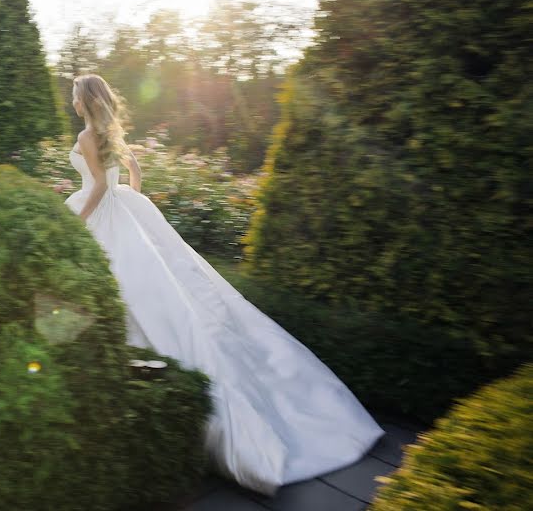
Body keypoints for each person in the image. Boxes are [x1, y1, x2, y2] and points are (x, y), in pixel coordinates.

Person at [63, 73, 385, 496]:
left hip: (104, 212)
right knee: (173, 290)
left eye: (74, 96)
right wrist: (135, 197)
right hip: (128, 210)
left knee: (131, 293)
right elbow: (129, 173)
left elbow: (101, 186)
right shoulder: (110, 133)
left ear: (83, 101)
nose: (73, 103)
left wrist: (75, 223)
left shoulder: (89, 135)